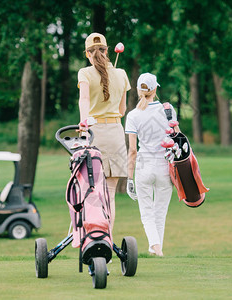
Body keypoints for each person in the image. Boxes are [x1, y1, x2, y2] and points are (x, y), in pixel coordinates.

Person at [77, 32, 131, 231]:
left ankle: (88, 239)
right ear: (107, 51)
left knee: (89, 193)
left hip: (94, 133)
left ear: (87, 54)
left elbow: (84, 100)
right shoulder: (122, 74)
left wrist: (84, 124)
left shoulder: (84, 73)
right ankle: (107, 240)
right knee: (109, 194)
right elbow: (122, 111)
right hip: (116, 133)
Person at [125, 73, 179, 256]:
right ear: (155, 89)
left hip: (143, 167)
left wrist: (128, 179)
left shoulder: (133, 115)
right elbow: (177, 136)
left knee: (147, 213)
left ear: (139, 90)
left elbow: (132, 151)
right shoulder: (168, 109)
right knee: (159, 213)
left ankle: (156, 249)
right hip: (165, 166)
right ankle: (157, 248)